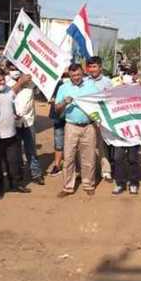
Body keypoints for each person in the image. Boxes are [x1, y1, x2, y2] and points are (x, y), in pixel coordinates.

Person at [0, 67, 32, 199]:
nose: (2, 82)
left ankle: (15, 184)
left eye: (3, 80)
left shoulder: (8, 90)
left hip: (11, 134)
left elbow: (14, 90)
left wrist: (21, 81)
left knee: (14, 162)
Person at [55, 63, 99, 197]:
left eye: (78, 74)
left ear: (83, 73)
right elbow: (57, 108)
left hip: (89, 126)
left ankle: (89, 184)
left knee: (89, 157)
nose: (76, 77)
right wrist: (64, 102)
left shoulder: (91, 86)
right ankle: (68, 187)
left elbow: (99, 103)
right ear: (69, 75)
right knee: (68, 158)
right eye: (73, 75)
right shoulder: (63, 87)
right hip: (71, 126)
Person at [5, 62, 44, 186]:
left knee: (31, 149)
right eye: (12, 69)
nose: (14, 71)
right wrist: (20, 82)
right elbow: (6, 96)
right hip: (13, 123)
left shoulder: (31, 81)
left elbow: (41, 90)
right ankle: (19, 176)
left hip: (28, 121)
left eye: (16, 68)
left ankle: (36, 174)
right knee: (15, 152)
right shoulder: (5, 82)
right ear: (8, 70)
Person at [111, 66, 141, 195]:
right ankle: (120, 183)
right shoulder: (116, 85)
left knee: (132, 158)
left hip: (134, 130)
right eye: (125, 73)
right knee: (118, 158)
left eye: (130, 73)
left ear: (135, 74)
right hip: (119, 129)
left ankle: (133, 183)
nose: (128, 75)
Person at [85, 56, 113, 181]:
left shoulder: (107, 82)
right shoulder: (84, 81)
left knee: (102, 146)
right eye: (90, 67)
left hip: (102, 120)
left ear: (100, 67)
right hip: (87, 119)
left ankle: (106, 171)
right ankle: (87, 171)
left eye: (94, 66)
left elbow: (111, 99)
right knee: (86, 147)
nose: (92, 69)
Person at [47, 75, 68, 177]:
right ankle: (57, 165)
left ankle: (75, 167)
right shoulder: (54, 83)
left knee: (75, 143)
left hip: (73, 118)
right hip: (59, 117)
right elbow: (49, 97)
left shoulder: (81, 82)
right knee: (58, 142)